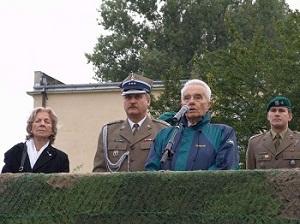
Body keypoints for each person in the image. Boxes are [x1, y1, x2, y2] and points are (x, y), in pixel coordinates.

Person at [145, 79, 239, 171]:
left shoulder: (223, 133)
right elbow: (151, 169)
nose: (191, 102)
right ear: (181, 104)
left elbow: (225, 169)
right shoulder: (164, 135)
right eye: (186, 98)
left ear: (209, 104)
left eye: (198, 97)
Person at [93, 73, 169, 172]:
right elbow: (99, 171)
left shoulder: (163, 130)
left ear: (148, 101)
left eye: (137, 97)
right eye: (128, 97)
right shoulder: (108, 132)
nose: (132, 101)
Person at [2, 107, 69, 173]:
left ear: (52, 130)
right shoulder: (15, 152)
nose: (42, 124)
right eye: (38, 121)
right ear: (30, 127)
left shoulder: (61, 158)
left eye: (47, 122)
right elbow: (4, 181)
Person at [246, 96, 300, 169]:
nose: (277, 114)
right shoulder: (254, 143)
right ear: (268, 116)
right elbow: (249, 176)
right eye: (273, 110)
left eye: (281, 110)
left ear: (289, 116)